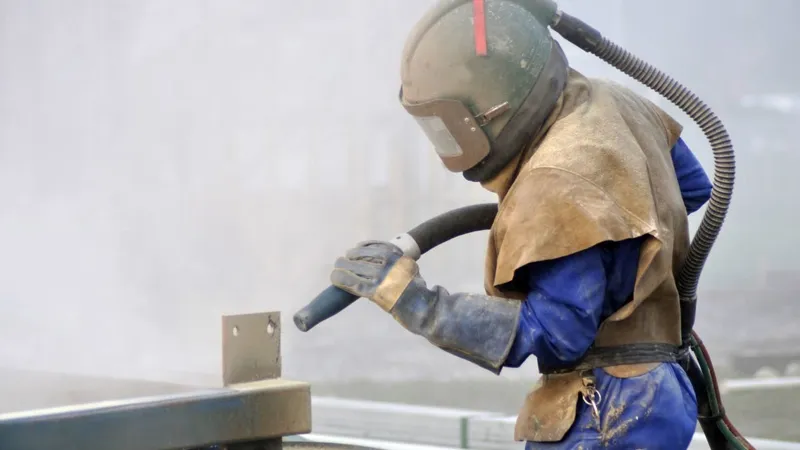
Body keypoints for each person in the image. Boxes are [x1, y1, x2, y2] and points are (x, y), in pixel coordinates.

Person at [329, 1, 712, 448]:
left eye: (447, 128)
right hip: (658, 388)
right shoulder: (615, 102)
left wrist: (416, 301)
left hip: (608, 404)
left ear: (491, 107)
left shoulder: (553, 180)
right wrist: (601, 235)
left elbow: (560, 332)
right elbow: (688, 188)